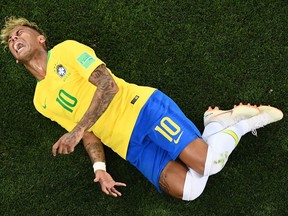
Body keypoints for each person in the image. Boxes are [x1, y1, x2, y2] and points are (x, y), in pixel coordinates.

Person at [1, 16, 283, 200]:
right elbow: (87, 135)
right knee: (189, 190)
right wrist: (100, 168)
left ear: (40, 39)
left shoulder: (66, 51)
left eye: (19, 33)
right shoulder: (41, 101)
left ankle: (244, 124)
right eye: (10, 41)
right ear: (15, 58)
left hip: (142, 110)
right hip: (127, 146)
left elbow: (108, 86)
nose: (14, 40)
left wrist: (76, 131)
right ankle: (214, 124)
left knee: (208, 163)